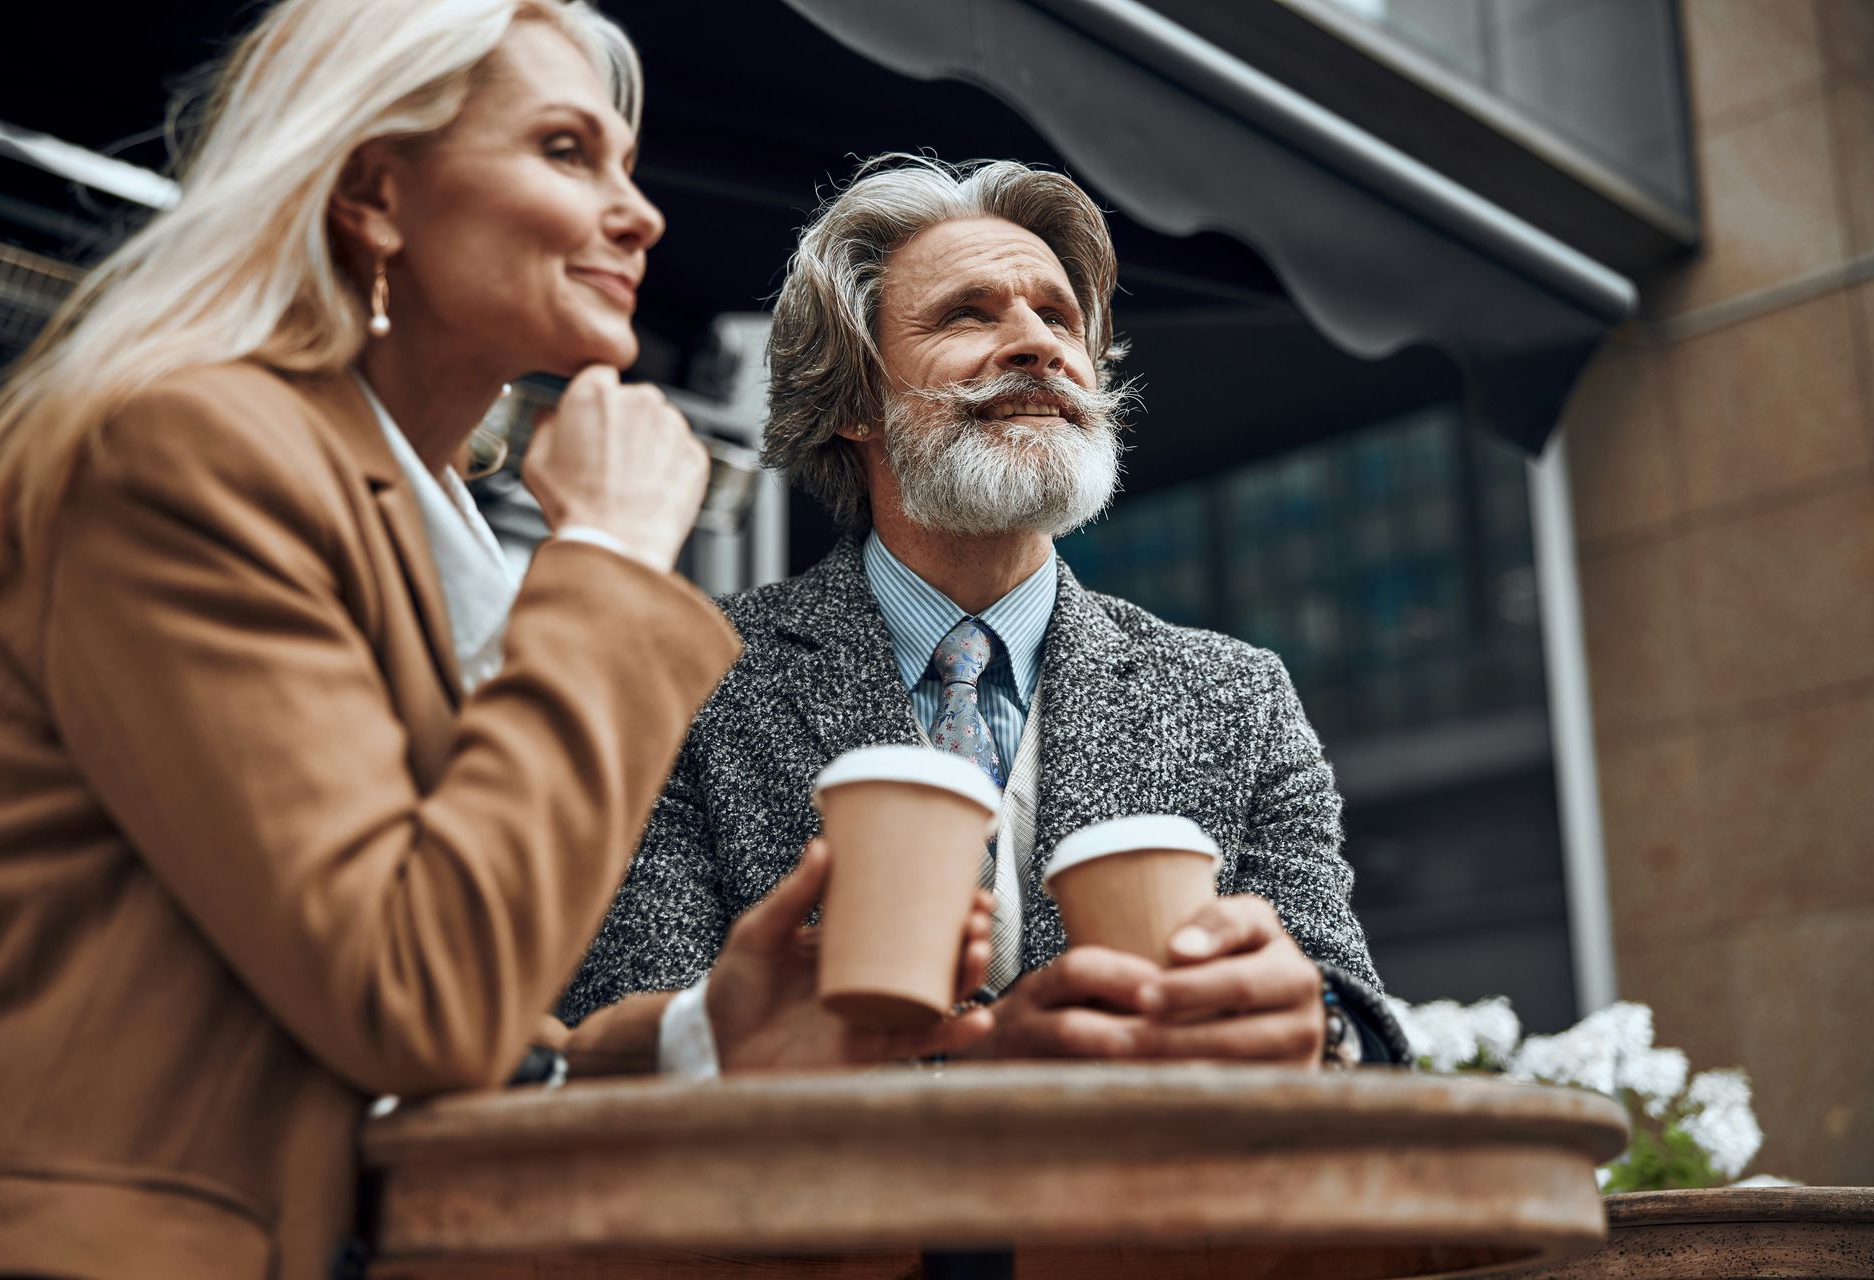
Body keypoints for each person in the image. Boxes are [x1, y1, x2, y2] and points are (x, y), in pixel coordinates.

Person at [0, 13, 988, 1280]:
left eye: (626, 163)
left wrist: (705, 1039)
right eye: (566, 150)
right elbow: (417, 993)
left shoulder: (387, 518)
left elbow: (371, 1037)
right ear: (378, 192)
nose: (639, 214)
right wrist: (607, 554)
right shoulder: (193, 450)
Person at [561, 155, 1411, 1072]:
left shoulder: (1236, 696)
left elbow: (1359, 1036)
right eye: (970, 313)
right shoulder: (690, 677)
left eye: (1059, 317)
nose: (1037, 343)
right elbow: (624, 1053)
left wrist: (1316, 1026)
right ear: (854, 396)